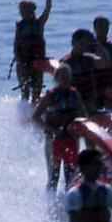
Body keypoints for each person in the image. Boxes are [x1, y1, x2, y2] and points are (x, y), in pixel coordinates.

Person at [33, 63, 87, 193]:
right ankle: (50, 206)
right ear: (56, 78)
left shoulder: (75, 95)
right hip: (53, 141)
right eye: (62, 77)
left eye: (67, 77)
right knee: (53, 177)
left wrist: (80, 130)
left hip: (71, 140)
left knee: (70, 176)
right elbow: (36, 118)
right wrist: (50, 130)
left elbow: (84, 116)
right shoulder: (50, 96)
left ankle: (68, 204)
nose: (65, 80)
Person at [13, 0, 52, 104]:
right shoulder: (20, 26)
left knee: (37, 91)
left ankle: (36, 111)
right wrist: (19, 60)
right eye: (22, 9)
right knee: (25, 92)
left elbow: (48, 8)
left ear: (32, 10)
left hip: (38, 61)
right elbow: (16, 44)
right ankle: (24, 114)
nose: (23, 12)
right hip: (24, 62)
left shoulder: (39, 23)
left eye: (25, 9)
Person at [60, 28, 112, 114]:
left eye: (87, 43)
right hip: (74, 103)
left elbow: (106, 63)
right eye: (82, 43)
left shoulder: (89, 59)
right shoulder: (66, 62)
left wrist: (97, 44)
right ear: (74, 42)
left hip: (90, 101)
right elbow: (62, 83)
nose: (85, 46)